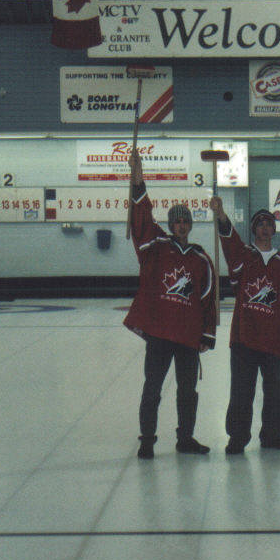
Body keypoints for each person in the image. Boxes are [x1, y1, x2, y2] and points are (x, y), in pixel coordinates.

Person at [123, 152, 216, 459]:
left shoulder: (201, 258)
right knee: (152, 388)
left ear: (190, 225)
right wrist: (138, 179)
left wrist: (207, 335)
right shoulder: (157, 247)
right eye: (176, 220)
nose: (181, 225)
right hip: (160, 335)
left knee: (187, 392)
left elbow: (208, 299)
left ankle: (185, 438)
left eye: (185, 220)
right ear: (170, 224)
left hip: (188, 338)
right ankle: (147, 439)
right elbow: (142, 220)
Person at [209, 195, 280, 454]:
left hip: (273, 338)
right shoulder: (243, 256)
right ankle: (237, 437)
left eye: (268, 224)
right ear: (254, 229)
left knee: (273, 391)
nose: (264, 228)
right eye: (259, 224)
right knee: (241, 390)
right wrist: (220, 214)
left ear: (273, 229)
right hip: (244, 337)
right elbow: (228, 240)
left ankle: (272, 435)